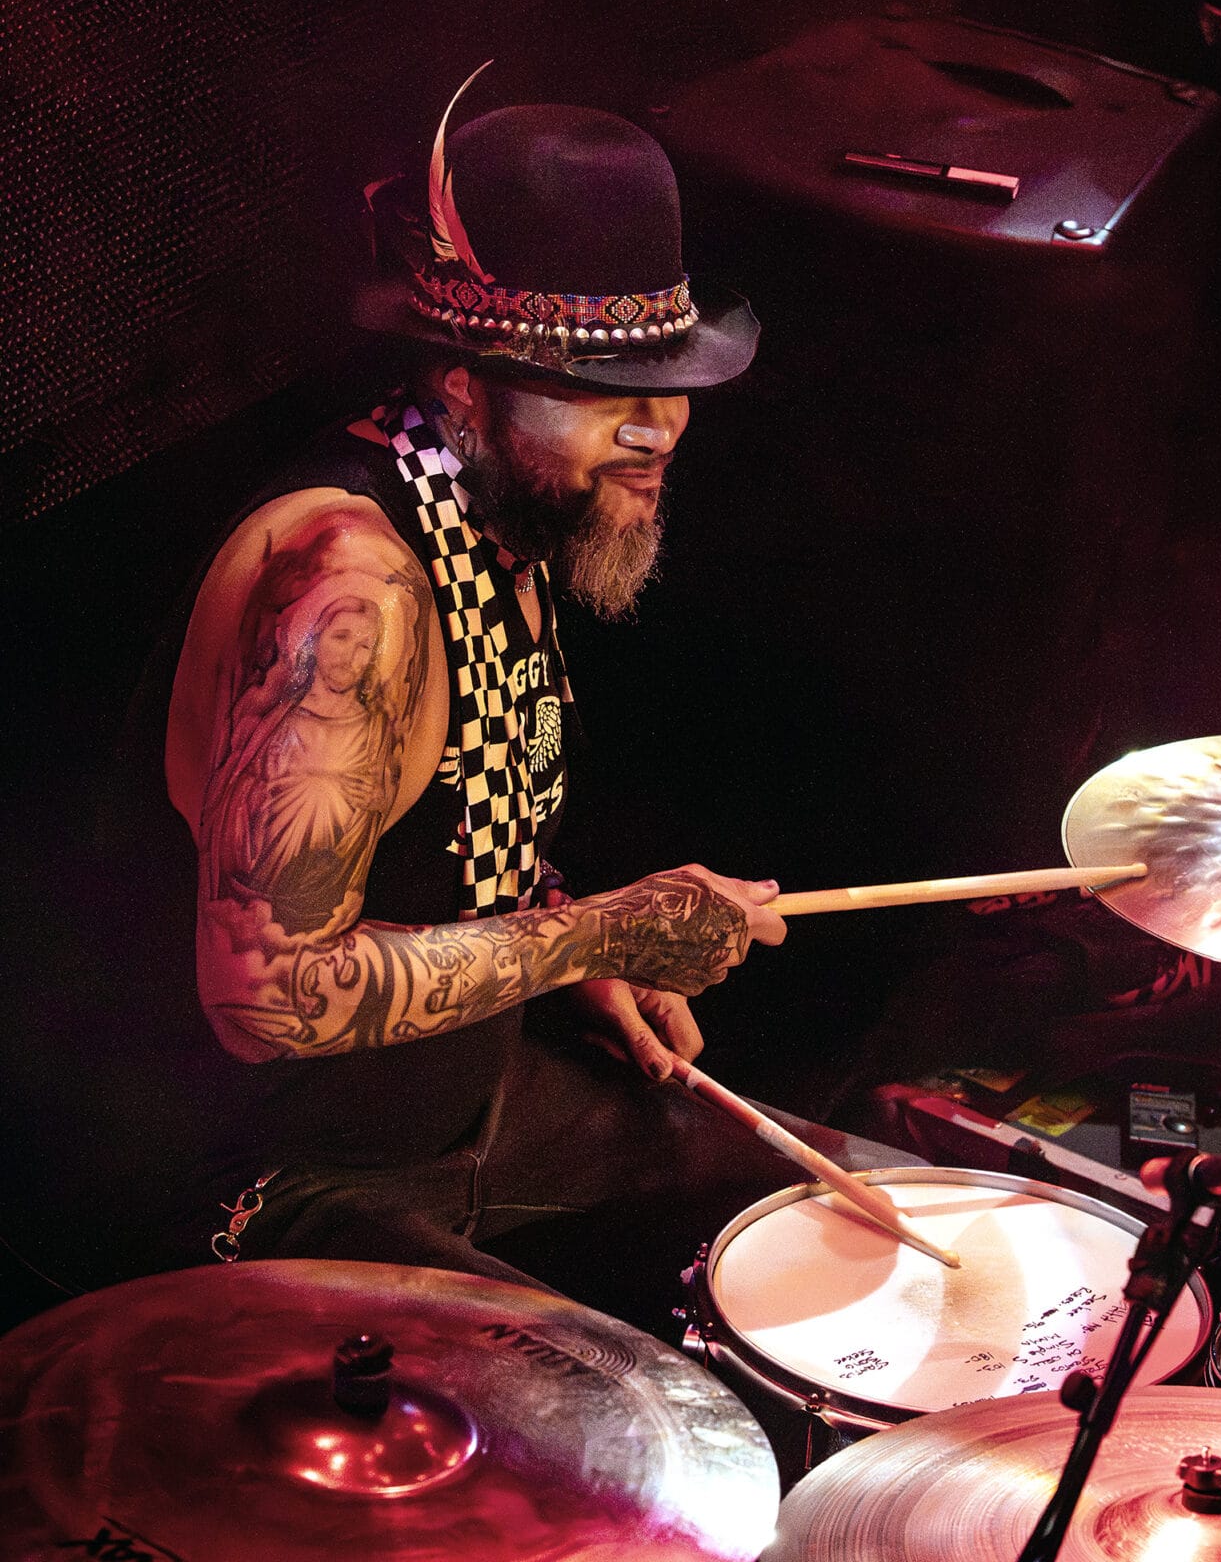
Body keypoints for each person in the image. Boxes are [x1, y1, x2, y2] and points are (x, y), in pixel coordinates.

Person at [145, 92, 918, 1331]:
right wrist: (594, 932)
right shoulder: (347, 594)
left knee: (883, 1233)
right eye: (602, 389)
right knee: (642, 1422)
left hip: (467, 1107)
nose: (659, 427)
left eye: (669, 383)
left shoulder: (497, 514)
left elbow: (456, 831)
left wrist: (573, 954)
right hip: (273, 1182)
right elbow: (268, 995)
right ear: (463, 387)